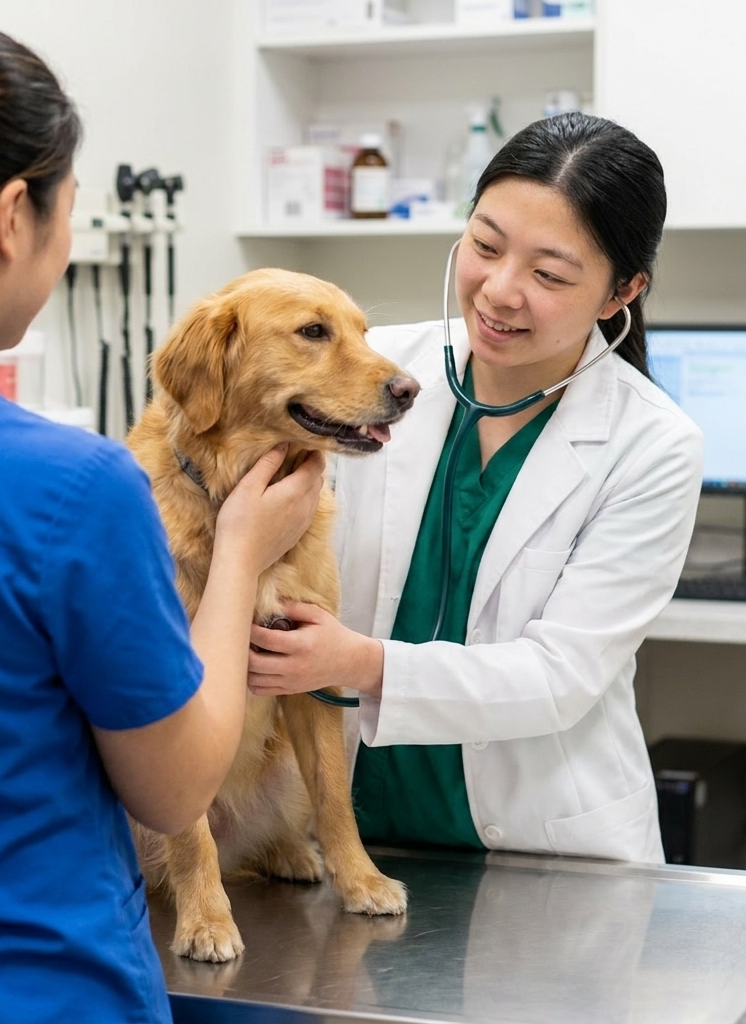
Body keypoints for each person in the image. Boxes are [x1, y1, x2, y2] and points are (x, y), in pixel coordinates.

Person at [0, 18, 323, 1023]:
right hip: (21, 994)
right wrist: (240, 557)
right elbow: (174, 791)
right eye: (68, 209)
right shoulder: (71, 488)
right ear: (11, 217)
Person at [248, 113, 703, 864]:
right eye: (485, 245)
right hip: (339, 831)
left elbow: (560, 676)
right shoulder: (368, 374)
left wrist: (357, 664)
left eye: (549, 274)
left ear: (622, 291)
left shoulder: (652, 444)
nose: (498, 290)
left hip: (546, 850)